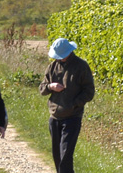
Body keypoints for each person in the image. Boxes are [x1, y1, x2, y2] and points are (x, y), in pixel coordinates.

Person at [39, 38, 95, 173]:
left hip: (72, 117)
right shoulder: (52, 66)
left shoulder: (81, 66)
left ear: (69, 52)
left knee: (65, 156)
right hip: (54, 117)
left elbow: (89, 92)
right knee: (57, 156)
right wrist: (50, 86)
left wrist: (73, 105)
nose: (58, 58)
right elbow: (42, 89)